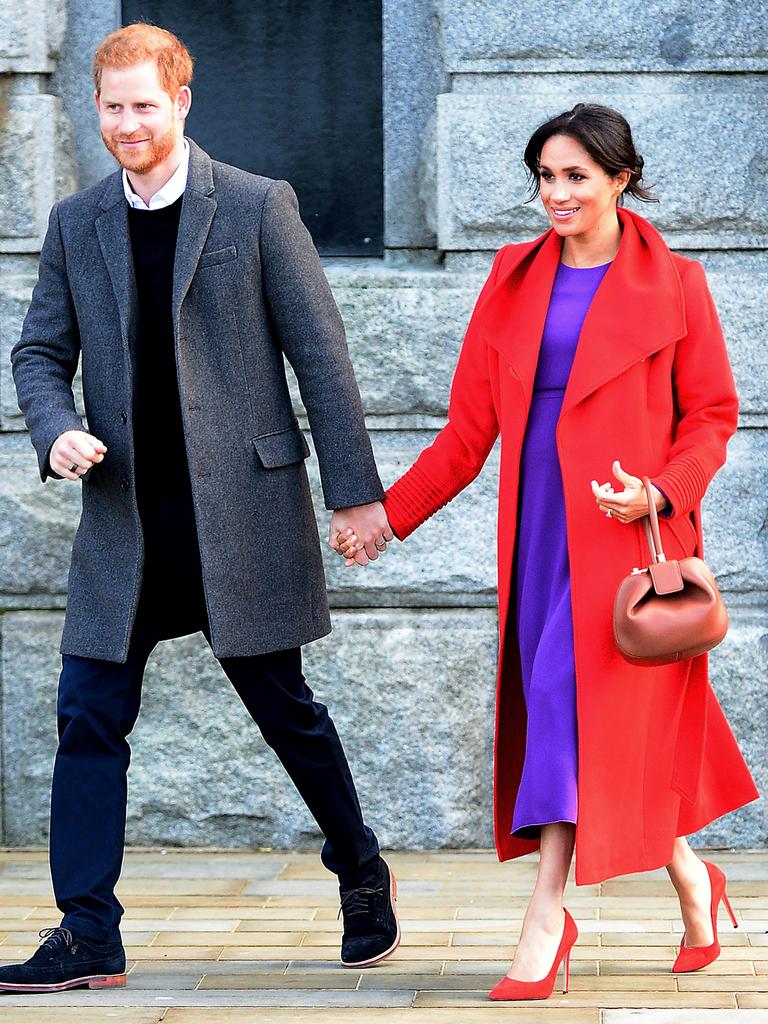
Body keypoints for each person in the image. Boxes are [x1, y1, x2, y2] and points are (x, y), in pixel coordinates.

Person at [3, 22, 398, 994]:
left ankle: (360, 869)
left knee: (284, 708)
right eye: (113, 106)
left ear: (182, 101)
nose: (128, 123)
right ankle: (87, 932)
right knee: (88, 713)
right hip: (126, 519)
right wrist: (55, 428)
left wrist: (354, 493)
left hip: (241, 511)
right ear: (95, 109)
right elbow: (39, 355)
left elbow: (321, 354)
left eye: (145, 104)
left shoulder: (259, 208)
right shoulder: (77, 222)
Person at [338, 104, 759, 1001]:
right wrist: (390, 515)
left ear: (621, 179)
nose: (555, 193)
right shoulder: (511, 277)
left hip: (627, 539)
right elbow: (468, 429)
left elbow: (713, 418)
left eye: (575, 175)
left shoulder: (678, 284)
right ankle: (693, 877)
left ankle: (545, 914)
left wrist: (660, 490)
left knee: (570, 708)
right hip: (539, 536)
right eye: (544, 176)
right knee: (589, 728)